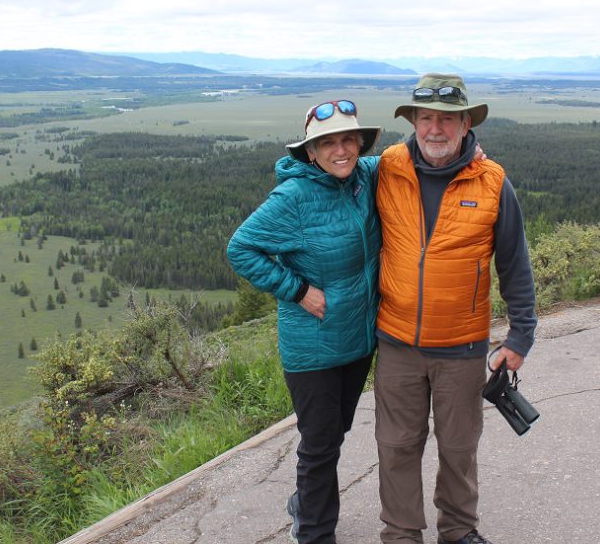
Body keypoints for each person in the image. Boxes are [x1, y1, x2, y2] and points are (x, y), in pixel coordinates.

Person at [373, 73, 538, 544]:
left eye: (448, 119)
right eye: (426, 118)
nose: (435, 129)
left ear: (467, 124)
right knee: (397, 446)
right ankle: (401, 533)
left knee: (459, 448)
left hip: (463, 348)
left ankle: (459, 532)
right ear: (413, 122)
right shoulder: (387, 167)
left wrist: (520, 337)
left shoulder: (492, 182)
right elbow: (334, 174)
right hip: (397, 341)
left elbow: (514, 263)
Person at [227, 99, 382, 544]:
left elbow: (411, 156)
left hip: (356, 338)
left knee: (335, 433)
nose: (340, 150)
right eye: (326, 142)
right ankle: (314, 532)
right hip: (312, 346)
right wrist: (297, 289)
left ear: (359, 144)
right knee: (319, 444)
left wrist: (470, 149)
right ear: (309, 153)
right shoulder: (293, 198)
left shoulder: (365, 176)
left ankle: (303, 501)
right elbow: (241, 249)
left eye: (347, 139)